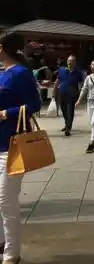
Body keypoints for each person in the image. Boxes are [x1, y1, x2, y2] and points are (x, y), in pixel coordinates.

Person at [0, 32, 41, 263]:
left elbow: (34, 104)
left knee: (6, 199)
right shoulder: (2, 74)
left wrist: (7, 113)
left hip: (12, 145)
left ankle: (11, 253)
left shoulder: (21, 74)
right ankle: (2, 242)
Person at [54, 55, 83, 136]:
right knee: (63, 110)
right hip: (62, 93)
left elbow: (81, 83)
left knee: (70, 111)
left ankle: (68, 128)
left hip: (72, 95)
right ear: (67, 62)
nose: (70, 62)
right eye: (69, 61)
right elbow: (57, 80)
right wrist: (54, 90)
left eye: (72, 61)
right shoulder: (62, 70)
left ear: (75, 62)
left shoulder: (78, 72)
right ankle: (67, 124)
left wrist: (80, 95)